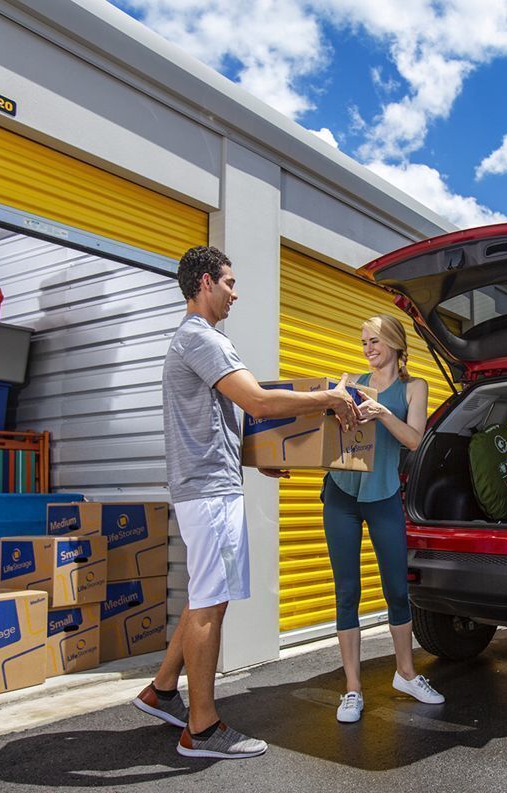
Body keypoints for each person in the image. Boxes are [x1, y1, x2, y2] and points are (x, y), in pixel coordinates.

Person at [132, 245, 360, 759]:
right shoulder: (200, 338)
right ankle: (203, 729)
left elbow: (213, 424)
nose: (236, 292)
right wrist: (328, 398)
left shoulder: (197, 341)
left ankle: (163, 690)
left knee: (205, 594)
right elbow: (256, 400)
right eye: (230, 282)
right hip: (209, 494)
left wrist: (254, 459)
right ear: (206, 282)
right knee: (212, 602)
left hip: (210, 486)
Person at [322, 313, 444, 724]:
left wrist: (381, 413)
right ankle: (353, 689)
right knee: (346, 591)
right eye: (363, 343)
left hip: (384, 495)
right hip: (341, 492)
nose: (368, 349)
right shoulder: (349, 382)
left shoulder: (414, 387)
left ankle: (406, 674)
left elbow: (414, 440)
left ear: (394, 343)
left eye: (374, 341)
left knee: (396, 587)